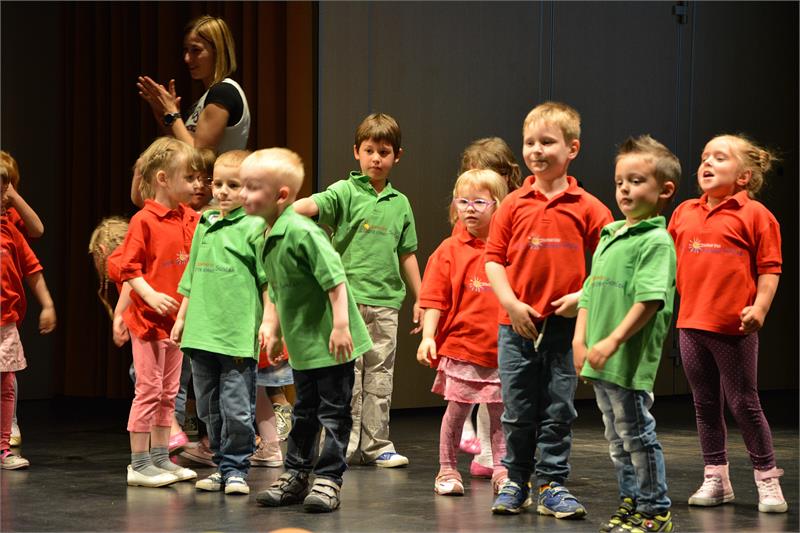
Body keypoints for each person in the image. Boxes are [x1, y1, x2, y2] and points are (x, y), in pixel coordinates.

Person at [485, 102, 612, 516]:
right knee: (518, 410)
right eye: (530, 143)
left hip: (563, 328)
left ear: (572, 148)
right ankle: (516, 480)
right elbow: (493, 260)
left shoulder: (589, 207)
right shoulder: (512, 204)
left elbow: (610, 264)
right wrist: (510, 303)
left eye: (547, 142)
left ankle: (552, 483)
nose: (536, 150)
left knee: (559, 409)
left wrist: (582, 298)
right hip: (516, 326)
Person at [240, 148, 372, 513]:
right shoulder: (264, 234)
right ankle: (297, 474)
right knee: (304, 413)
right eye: (242, 186)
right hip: (303, 344)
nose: (243, 194)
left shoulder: (303, 232)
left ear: (281, 195)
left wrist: (341, 325)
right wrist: (273, 327)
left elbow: (336, 280)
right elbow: (277, 286)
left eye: (253, 187)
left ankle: (328, 478)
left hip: (332, 343)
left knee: (334, 413)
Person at [293, 113, 422, 468]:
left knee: (380, 375)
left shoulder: (400, 203)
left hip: (385, 302)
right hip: (345, 303)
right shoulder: (345, 191)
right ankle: (342, 446)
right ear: (356, 152)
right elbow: (310, 206)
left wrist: (422, 297)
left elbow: (407, 253)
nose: (376, 158)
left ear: (397, 156)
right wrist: (281, 212)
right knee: (345, 377)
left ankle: (377, 444)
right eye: (369, 150)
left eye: (384, 152)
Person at [668, 134, 787, 513]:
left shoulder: (756, 215)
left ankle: (767, 478)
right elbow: (668, 264)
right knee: (704, 404)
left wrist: (760, 308)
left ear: (744, 176)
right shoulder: (684, 212)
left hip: (733, 330)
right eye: (705, 157)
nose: (707, 163)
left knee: (744, 403)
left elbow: (770, 269)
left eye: (720, 158)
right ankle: (716, 477)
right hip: (691, 325)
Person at [573, 135, 679, 533]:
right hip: (600, 358)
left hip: (628, 362)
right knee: (617, 441)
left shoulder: (656, 241)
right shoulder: (610, 235)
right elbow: (589, 292)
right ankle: (631, 503)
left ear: (664, 190)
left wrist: (614, 339)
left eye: (636, 181)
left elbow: (649, 301)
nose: (625, 190)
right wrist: (580, 339)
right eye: (620, 182)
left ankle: (655, 511)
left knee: (637, 436)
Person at [170, 149, 267, 496]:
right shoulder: (205, 224)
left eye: (233, 185)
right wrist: (182, 318)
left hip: (236, 335)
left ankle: (237, 467)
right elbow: (191, 277)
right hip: (201, 333)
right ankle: (222, 466)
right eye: (219, 183)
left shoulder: (255, 227)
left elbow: (267, 281)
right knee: (208, 407)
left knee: (236, 407)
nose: (223, 191)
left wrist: (269, 323)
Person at [417, 169, 509, 496]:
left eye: (479, 202)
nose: (470, 209)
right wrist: (428, 336)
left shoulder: (507, 249)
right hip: (461, 348)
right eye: (463, 201)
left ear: (498, 205)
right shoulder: (449, 250)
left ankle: (502, 470)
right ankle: (447, 469)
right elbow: (433, 298)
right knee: (456, 412)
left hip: (500, 349)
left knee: (500, 416)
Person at [116, 137, 201, 487]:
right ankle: (138, 463)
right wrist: (149, 295)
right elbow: (127, 267)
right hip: (148, 322)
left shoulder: (191, 219)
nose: (196, 185)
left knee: (169, 393)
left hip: (177, 323)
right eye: (189, 178)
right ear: (164, 179)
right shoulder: (144, 220)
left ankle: (161, 457)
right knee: (149, 390)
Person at [453, 137, 522, 479]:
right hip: (476, 312)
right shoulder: (467, 218)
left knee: (501, 390)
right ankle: (486, 451)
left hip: (506, 307)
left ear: (507, 176)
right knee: (483, 386)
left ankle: (499, 453)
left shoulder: (516, 211)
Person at [0, 167, 56, 469]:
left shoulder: (10, 230)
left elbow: (32, 270)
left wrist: (47, 304)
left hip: (5, 323)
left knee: (6, 384)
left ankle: (2, 447)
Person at [137, 15, 250, 155]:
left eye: (195, 50)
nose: (187, 58)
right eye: (186, 50)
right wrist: (166, 116)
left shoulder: (223, 92)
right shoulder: (207, 97)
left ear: (217, 50)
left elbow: (199, 157)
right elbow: (183, 149)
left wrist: (172, 113)